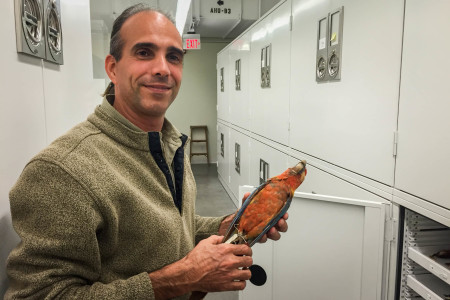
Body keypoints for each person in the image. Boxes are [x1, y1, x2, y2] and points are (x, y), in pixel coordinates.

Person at [5, 4, 288, 300]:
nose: (162, 69)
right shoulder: (62, 171)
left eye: (174, 57)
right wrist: (182, 278)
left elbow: (175, 229)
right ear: (113, 67)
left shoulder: (169, 143)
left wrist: (230, 224)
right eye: (144, 52)